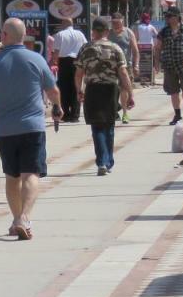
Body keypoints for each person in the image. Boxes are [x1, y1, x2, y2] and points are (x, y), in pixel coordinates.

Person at [0, 18, 62, 241]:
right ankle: (24, 217)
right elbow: (53, 91)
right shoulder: (36, 59)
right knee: (31, 173)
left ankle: (16, 219)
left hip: (5, 130)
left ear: (4, 36)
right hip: (32, 127)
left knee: (12, 176)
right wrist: (57, 109)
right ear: (23, 36)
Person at [76, 17, 135, 176]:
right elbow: (123, 72)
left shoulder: (86, 48)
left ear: (93, 31)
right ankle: (107, 161)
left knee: (97, 127)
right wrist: (130, 93)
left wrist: (79, 90)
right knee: (109, 126)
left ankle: (102, 161)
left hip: (93, 89)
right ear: (107, 31)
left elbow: (79, 73)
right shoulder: (115, 48)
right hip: (110, 89)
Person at [154, 7, 183, 125]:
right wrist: (156, 64)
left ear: (177, 17)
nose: (168, 19)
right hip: (169, 65)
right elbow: (157, 48)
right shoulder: (164, 32)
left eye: (170, 16)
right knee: (173, 91)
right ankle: (177, 114)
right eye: (167, 17)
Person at [52, 18, 88, 122]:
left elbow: (56, 52)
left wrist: (55, 62)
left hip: (64, 62)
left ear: (64, 23)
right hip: (77, 61)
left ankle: (66, 114)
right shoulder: (80, 34)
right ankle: (75, 115)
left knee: (64, 89)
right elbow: (84, 48)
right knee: (76, 88)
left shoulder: (60, 34)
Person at [108, 14, 140, 123]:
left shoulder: (128, 32)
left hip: (126, 65)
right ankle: (115, 110)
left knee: (124, 89)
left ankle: (125, 114)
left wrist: (136, 65)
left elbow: (135, 51)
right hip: (111, 65)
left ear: (122, 21)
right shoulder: (108, 33)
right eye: (113, 22)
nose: (115, 24)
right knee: (111, 89)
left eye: (118, 22)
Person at [134, 12, 159, 85]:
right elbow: (158, 35)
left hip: (141, 47)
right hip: (150, 47)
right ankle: (153, 80)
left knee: (142, 63)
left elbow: (136, 37)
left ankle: (143, 80)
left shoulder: (138, 27)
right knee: (151, 64)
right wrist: (155, 43)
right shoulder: (151, 26)